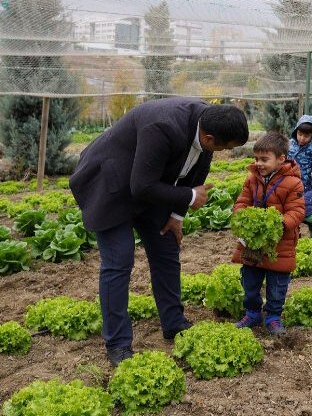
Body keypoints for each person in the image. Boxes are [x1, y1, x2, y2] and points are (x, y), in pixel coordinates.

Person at [69, 98, 249, 366]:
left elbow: (196, 174)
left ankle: (174, 323)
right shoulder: (163, 126)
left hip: (150, 186)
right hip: (110, 185)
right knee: (119, 261)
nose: (221, 152)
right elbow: (141, 187)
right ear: (209, 137)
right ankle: (117, 343)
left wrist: (177, 216)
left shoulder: (208, 124)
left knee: (166, 248)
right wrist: (188, 196)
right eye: (223, 148)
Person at [231, 132, 305, 335]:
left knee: (277, 286)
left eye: (264, 159)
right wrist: (243, 218)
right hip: (253, 244)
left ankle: (273, 317)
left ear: (281, 159)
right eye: (256, 159)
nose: (259, 163)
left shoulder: (293, 183)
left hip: (279, 244)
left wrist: (276, 224)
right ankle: (252, 313)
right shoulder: (251, 179)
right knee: (250, 281)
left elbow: (297, 212)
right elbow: (241, 203)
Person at [289, 115, 312, 192]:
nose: (302, 138)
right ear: (296, 131)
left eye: (306, 136)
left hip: (305, 186)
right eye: (300, 134)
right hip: (288, 182)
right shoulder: (289, 144)